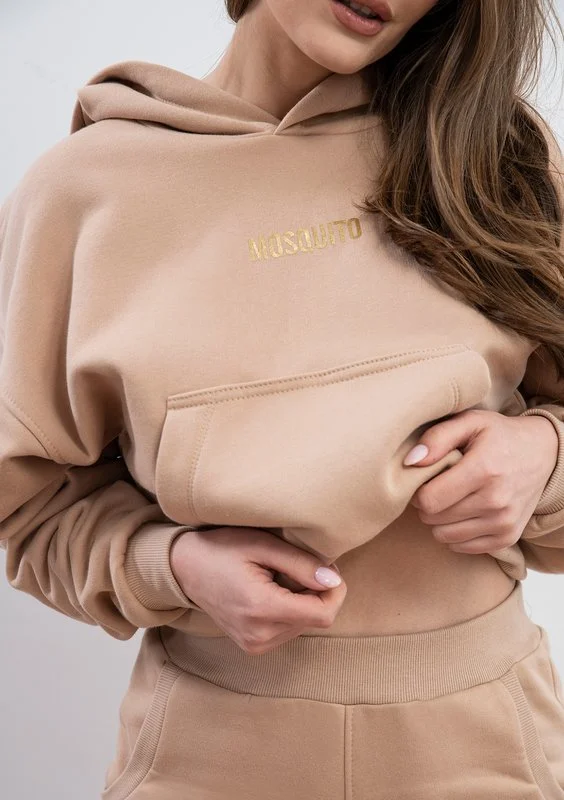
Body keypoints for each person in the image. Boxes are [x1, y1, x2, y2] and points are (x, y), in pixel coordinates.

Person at [1, 0, 564, 796]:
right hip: (209, 755)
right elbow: (31, 508)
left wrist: (544, 455)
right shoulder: (82, 192)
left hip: (489, 748)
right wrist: (174, 565)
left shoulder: (494, 153)